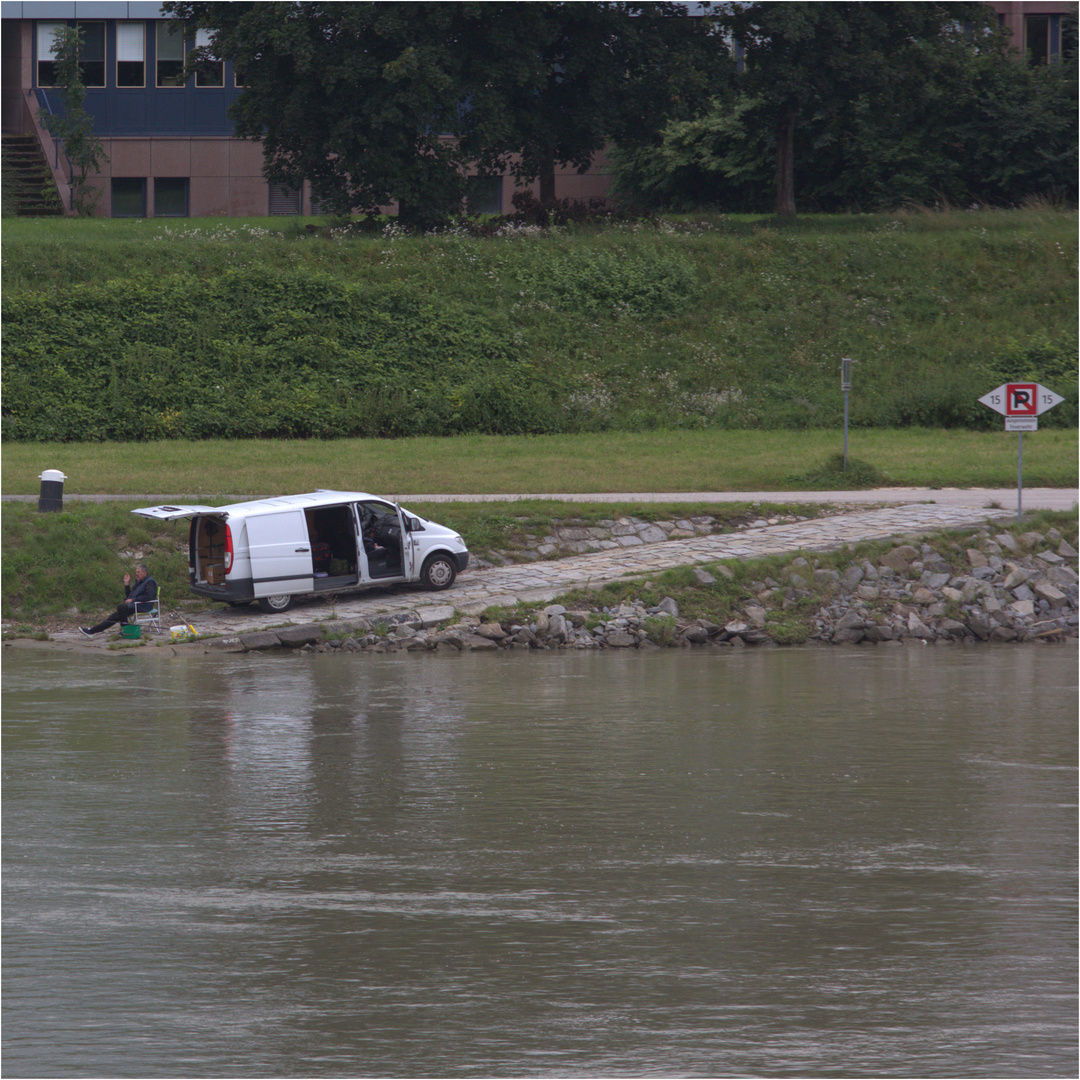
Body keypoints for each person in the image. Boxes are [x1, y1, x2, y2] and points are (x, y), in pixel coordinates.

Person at [80, 564, 158, 637]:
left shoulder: (150, 582)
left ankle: (126, 630)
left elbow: (149, 596)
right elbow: (129, 596)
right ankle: (92, 631)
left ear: (144, 573)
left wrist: (133, 600)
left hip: (144, 606)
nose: (136, 574)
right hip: (135, 605)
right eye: (136, 572)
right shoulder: (138, 582)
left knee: (121, 607)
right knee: (115, 616)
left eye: (138, 572)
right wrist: (126, 584)